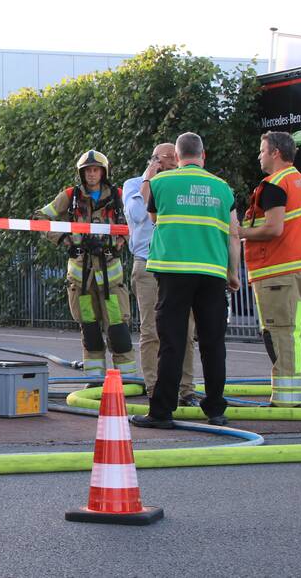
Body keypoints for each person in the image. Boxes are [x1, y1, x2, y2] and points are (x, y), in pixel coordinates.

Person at [133, 132, 239, 429]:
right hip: (212, 274)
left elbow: (151, 217)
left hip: (173, 271)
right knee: (213, 342)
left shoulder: (161, 183)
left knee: (172, 343)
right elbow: (233, 234)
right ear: (203, 156)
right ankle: (216, 409)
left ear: (177, 158)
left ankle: (162, 412)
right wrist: (233, 272)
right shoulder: (223, 188)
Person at [38, 150, 135, 380]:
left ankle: (128, 381)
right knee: (90, 330)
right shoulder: (70, 196)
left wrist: (121, 240)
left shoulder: (119, 196)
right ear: (81, 173)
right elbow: (40, 218)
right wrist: (64, 239)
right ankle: (94, 380)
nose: (92, 174)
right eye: (87, 170)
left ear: (103, 171)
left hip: (110, 276)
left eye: (96, 170)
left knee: (118, 331)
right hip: (81, 276)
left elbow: (137, 222)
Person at [240, 131, 301, 407]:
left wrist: (238, 232)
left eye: (262, 151)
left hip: (277, 271)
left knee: (278, 331)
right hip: (297, 268)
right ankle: (293, 387)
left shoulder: (274, 185)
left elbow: (274, 228)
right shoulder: (300, 182)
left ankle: (285, 399)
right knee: (293, 330)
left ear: (275, 152)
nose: (259, 156)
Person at [122, 143, 199, 406]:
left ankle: (186, 389)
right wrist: (148, 179)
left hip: (178, 264)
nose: (171, 162)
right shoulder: (134, 184)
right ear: (153, 160)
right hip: (147, 263)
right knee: (151, 330)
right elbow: (136, 213)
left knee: (186, 330)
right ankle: (154, 387)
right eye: (165, 158)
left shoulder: (180, 184)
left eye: (173, 158)